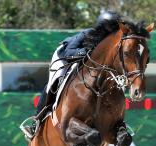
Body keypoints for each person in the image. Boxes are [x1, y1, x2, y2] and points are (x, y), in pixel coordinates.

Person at [21, 11, 122, 139]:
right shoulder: (88, 34)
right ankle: (37, 121)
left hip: (85, 64)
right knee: (53, 83)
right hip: (64, 57)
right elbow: (69, 51)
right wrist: (88, 52)